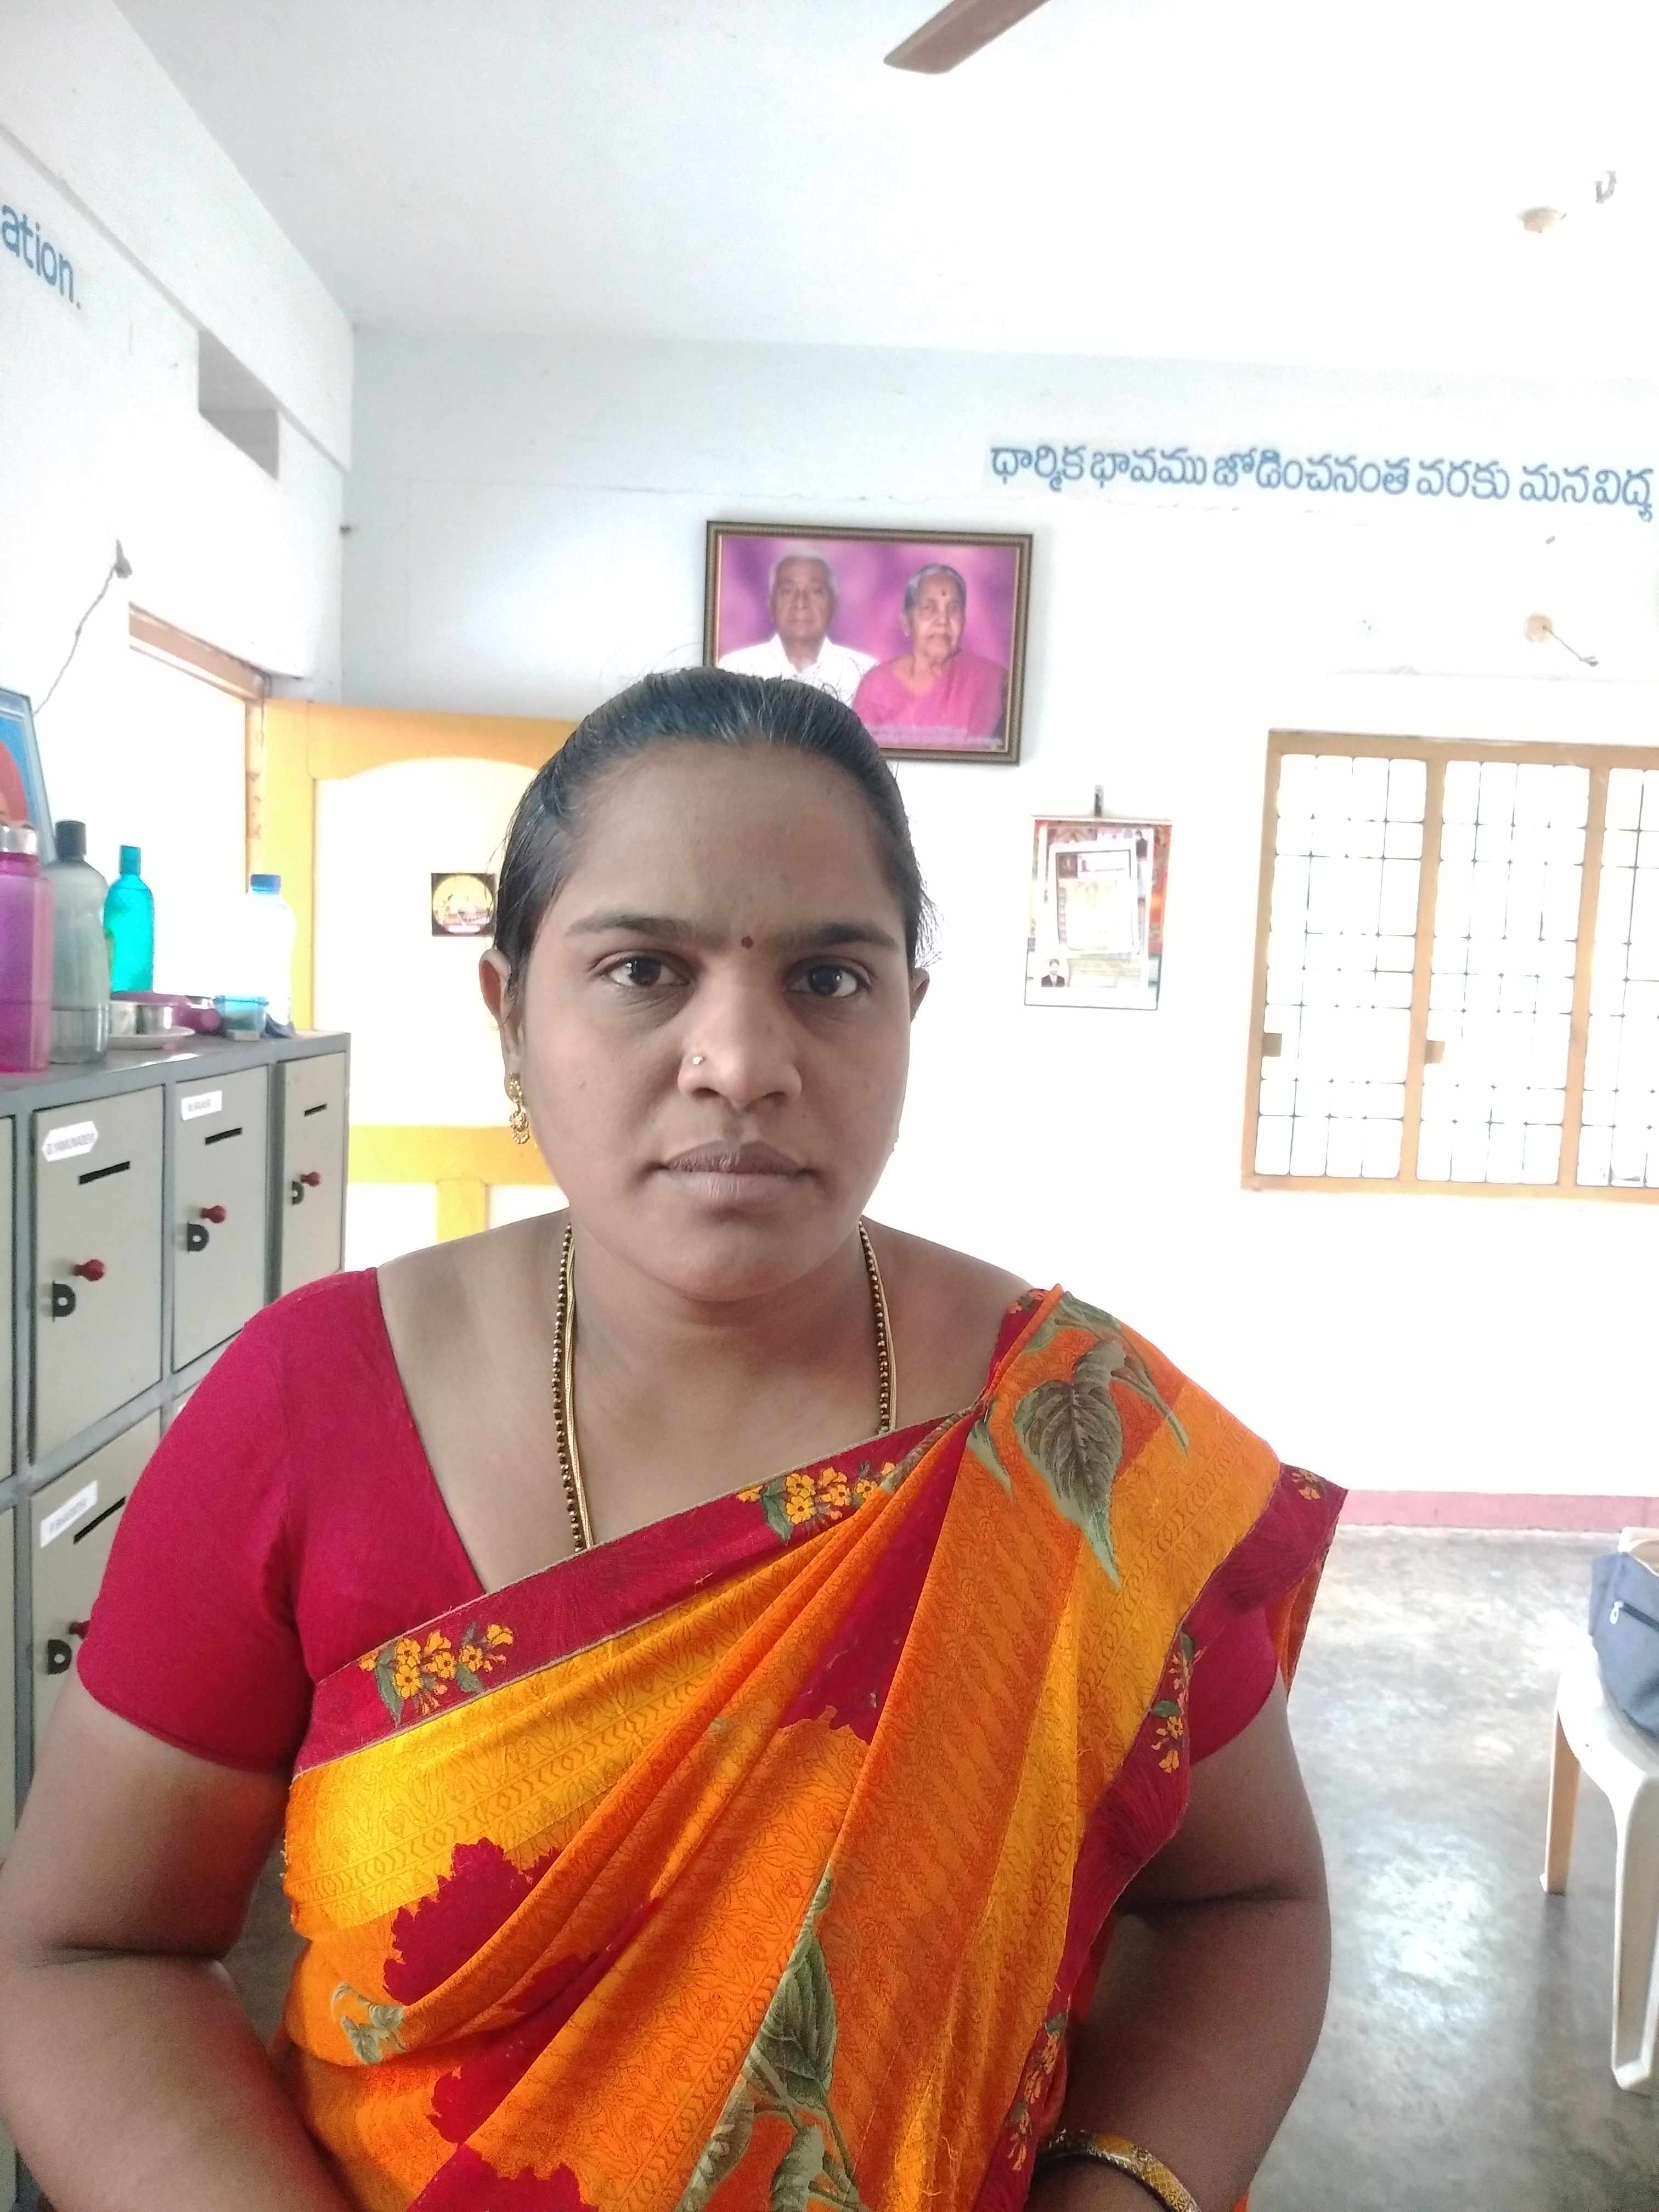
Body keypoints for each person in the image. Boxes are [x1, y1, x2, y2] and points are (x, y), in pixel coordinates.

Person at [0, 669, 1339, 2212]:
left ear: (910, 1011)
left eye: (830, 978)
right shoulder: (309, 1408)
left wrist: (1118, 2192)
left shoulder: (1073, 1436)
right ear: (511, 1014)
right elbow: (88, 1952)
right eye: (644, 970)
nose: (742, 1061)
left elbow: (1246, 1905)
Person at [853, 563, 1007, 749]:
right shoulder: (876, 686)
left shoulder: (992, 681)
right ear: (906, 622)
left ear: (964, 621)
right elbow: (860, 757)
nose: (943, 620)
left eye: (954, 609)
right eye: (929, 608)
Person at [718, 551, 874, 704]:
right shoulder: (735, 669)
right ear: (771, 605)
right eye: (787, 591)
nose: (800, 603)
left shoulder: (864, 672)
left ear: (834, 606)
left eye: (816, 591)